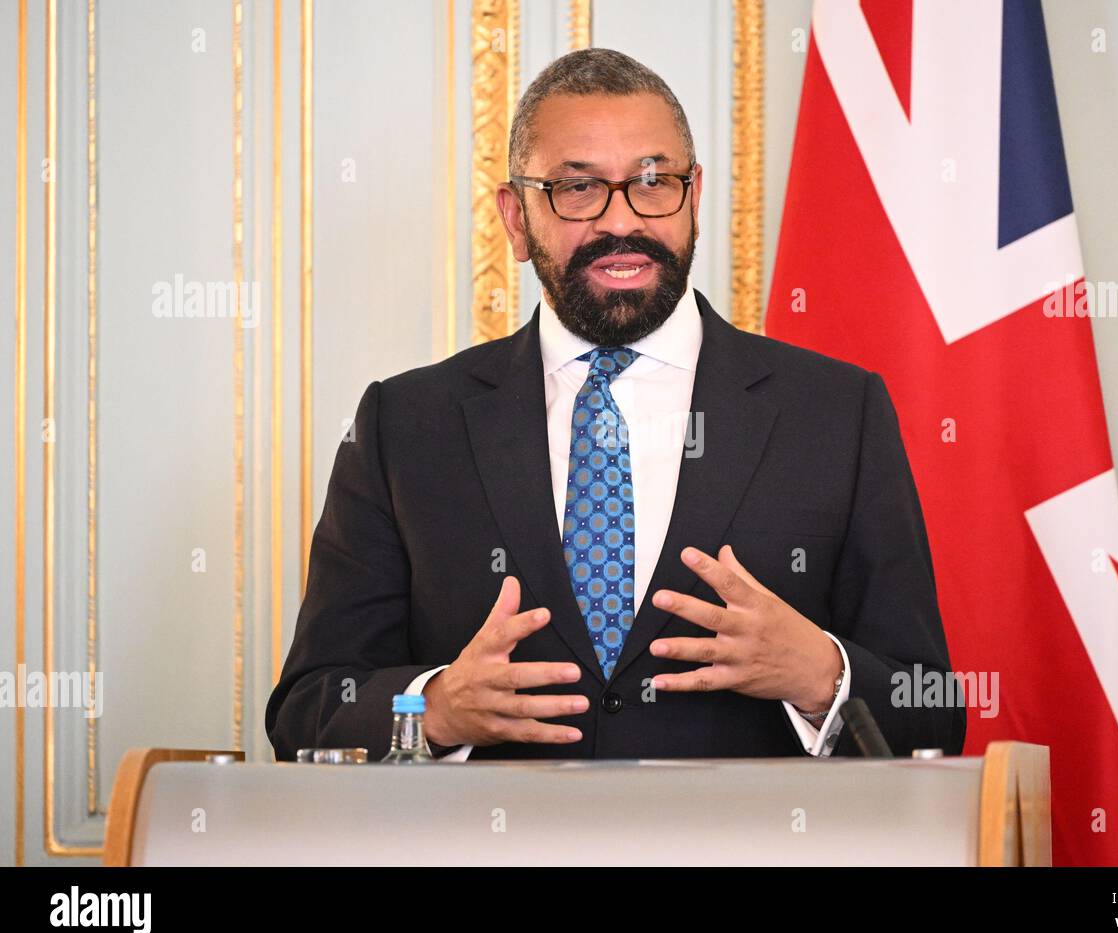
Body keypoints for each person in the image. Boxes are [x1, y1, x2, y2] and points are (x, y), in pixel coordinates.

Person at [266, 47, 965, 762]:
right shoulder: (405, 425)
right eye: (577, 190)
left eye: (652, 183)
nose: (619, 221)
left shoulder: (837, 413)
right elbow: (308, 710)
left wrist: (822, 676)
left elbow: (933, 713)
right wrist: (435, 708)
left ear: (694, 199)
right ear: (516, 217)